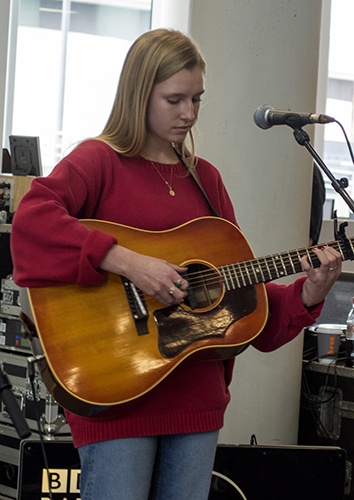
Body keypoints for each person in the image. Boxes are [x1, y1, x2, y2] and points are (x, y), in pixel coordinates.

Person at [10, 28, 342, 500]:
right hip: (116, 392)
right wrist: (126, 261)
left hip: (195, 400)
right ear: (138, 95)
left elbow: (239, 298)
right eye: (175, 99)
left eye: (197, 99)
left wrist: (309, 293)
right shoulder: (97, 161)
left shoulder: (206, 180)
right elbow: (32, 221)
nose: (188, 113)